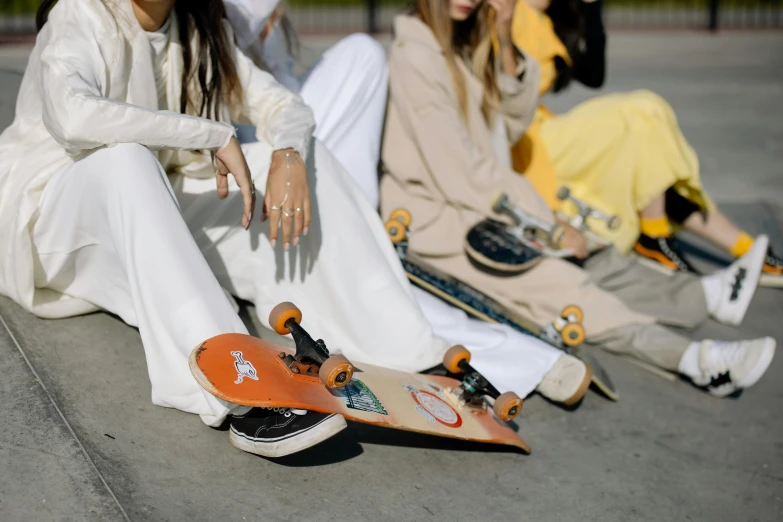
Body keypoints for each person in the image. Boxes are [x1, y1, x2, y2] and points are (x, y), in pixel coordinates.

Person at [380, 0, 776, 400]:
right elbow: (459, 171)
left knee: (594, 254)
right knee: (557, 283)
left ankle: (703, 298)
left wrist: (503, 33)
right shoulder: (416, 55)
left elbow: (510, 124)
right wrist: (547, 225)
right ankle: (697, 360)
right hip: (436, 223)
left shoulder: (457, 40)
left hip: (472, 201)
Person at [223, 0, 594, 406]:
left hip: (297, 143)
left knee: (359, 55)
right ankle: (375, 270)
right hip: (250, 157)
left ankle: (362, 234)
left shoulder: (471, 32)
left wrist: (504, 40)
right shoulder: (227, 19)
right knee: (358, 57)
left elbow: (506, 127)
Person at [511, 0, 783, 286]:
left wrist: (591, 7)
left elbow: (593, 76)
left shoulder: (555, 18)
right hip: (526, 140)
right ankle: (655, 235)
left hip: (548, 129)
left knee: (650, 164)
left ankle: (746, 250)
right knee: (644, 113)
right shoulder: (505, 12)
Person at [224, 0, 387, 208]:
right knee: (364, 53)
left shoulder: (274, 19)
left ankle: (355, 204)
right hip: (251, 130)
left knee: (364, 53)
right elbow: (238, 22)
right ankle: (352, 206)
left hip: (292, 111)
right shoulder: (230, 13)